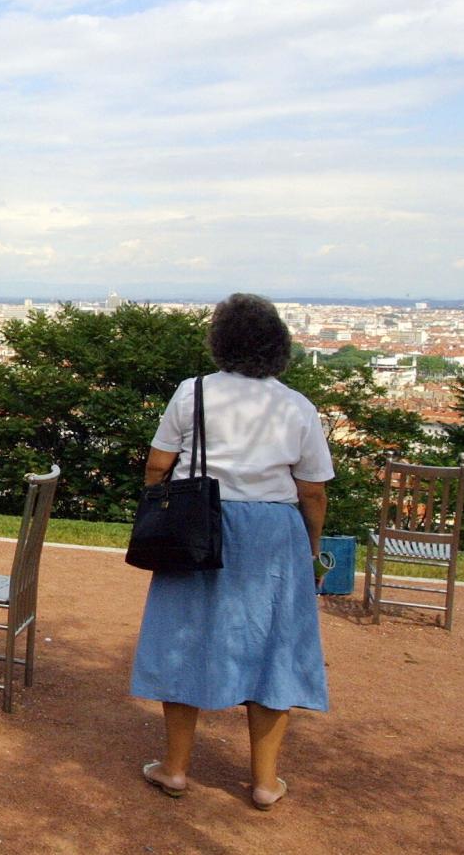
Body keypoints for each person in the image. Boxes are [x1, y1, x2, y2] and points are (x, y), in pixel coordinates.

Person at [131, 292, 333, 811]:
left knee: (183, 636)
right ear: (278, 346)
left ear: (219, 341)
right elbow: (312, 490)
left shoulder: (192, 393)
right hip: (274, 534)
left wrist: (160, 508)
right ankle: (265, 782)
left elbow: (158, 465)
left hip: (201, 525)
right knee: (274, 650)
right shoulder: (296, 406)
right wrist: (310, 549)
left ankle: (175, 767)